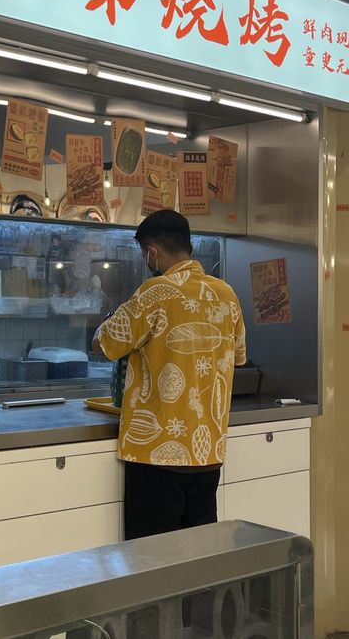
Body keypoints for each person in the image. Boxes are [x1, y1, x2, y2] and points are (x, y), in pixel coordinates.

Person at [92, 209, 246, 540]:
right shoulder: (226, 295)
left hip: (157, 452)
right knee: (198, 556)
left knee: (152, 560)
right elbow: (239, 356)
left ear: (152, 251)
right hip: (207, 450)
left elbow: (104, 345)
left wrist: (111, 319)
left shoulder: (153, 293)